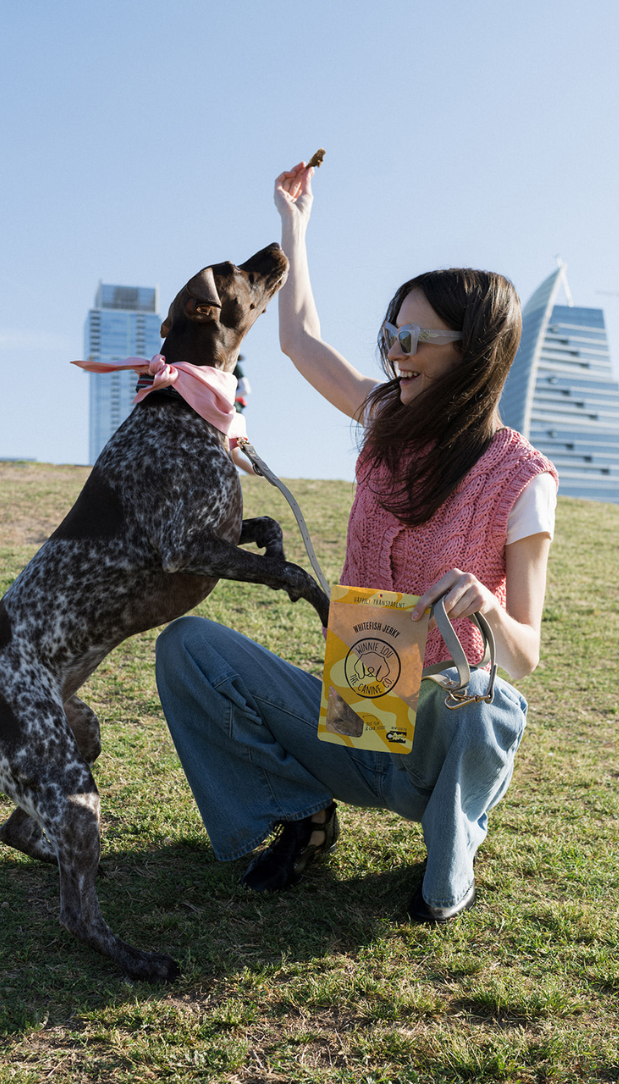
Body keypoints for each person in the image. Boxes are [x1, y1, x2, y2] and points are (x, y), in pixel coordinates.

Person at [154, 161, 558, 923]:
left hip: (438, 742)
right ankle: (303, 814)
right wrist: (294, 227)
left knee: (487, 704)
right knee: (188, 647)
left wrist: (485, 613)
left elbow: (524, 655)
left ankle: (449, 853)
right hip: (355, 714)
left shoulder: (522, 479)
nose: (393, 352)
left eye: (411, 338)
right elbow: (301, 342)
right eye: (388, 335)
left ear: (472, 350)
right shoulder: (384, 420)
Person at [230, 355, 255, 474]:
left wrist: (226, 396)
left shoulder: (234, 366)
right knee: (233, 456)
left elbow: (245, 389)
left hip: (233, 410)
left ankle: (258, 477)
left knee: (233, 453)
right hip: (223, 409)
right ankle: (258, 477)